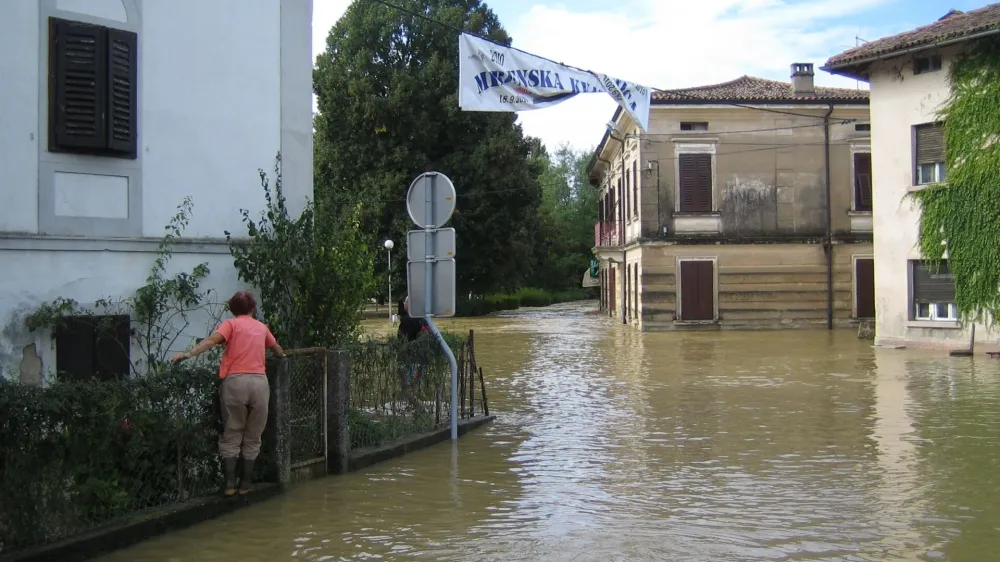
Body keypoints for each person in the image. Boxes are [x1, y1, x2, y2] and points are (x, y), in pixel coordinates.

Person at [171, 290, 285, 496]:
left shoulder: (230, 324)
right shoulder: (262, 327)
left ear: (233, 309)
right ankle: (247, 484)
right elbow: (277, 349)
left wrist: (187, 354)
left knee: (232, 433)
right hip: (259, 383)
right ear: (253, 308)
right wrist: (282, 355)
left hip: (235, 383)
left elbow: (211, 341)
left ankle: (230, 485)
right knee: (253, 435)